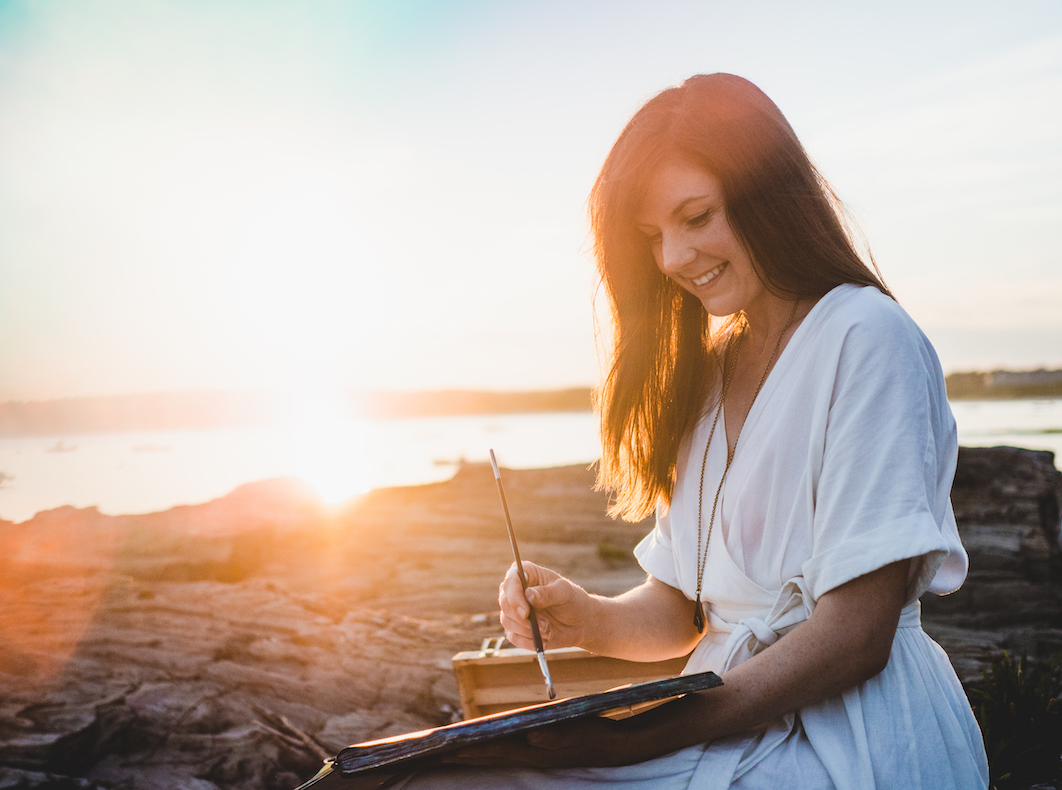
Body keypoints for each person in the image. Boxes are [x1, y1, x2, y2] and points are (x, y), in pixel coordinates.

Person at [397, 73, 988, 789]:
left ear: (769, 195)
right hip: (728, 719)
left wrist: (638, 738)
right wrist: (583, 619)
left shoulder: (868, 337)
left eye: (697, 216)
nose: (673, 259)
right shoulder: (707, 376)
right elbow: (682, 612)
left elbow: (856, 635)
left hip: (849, 740)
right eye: (652, 236)